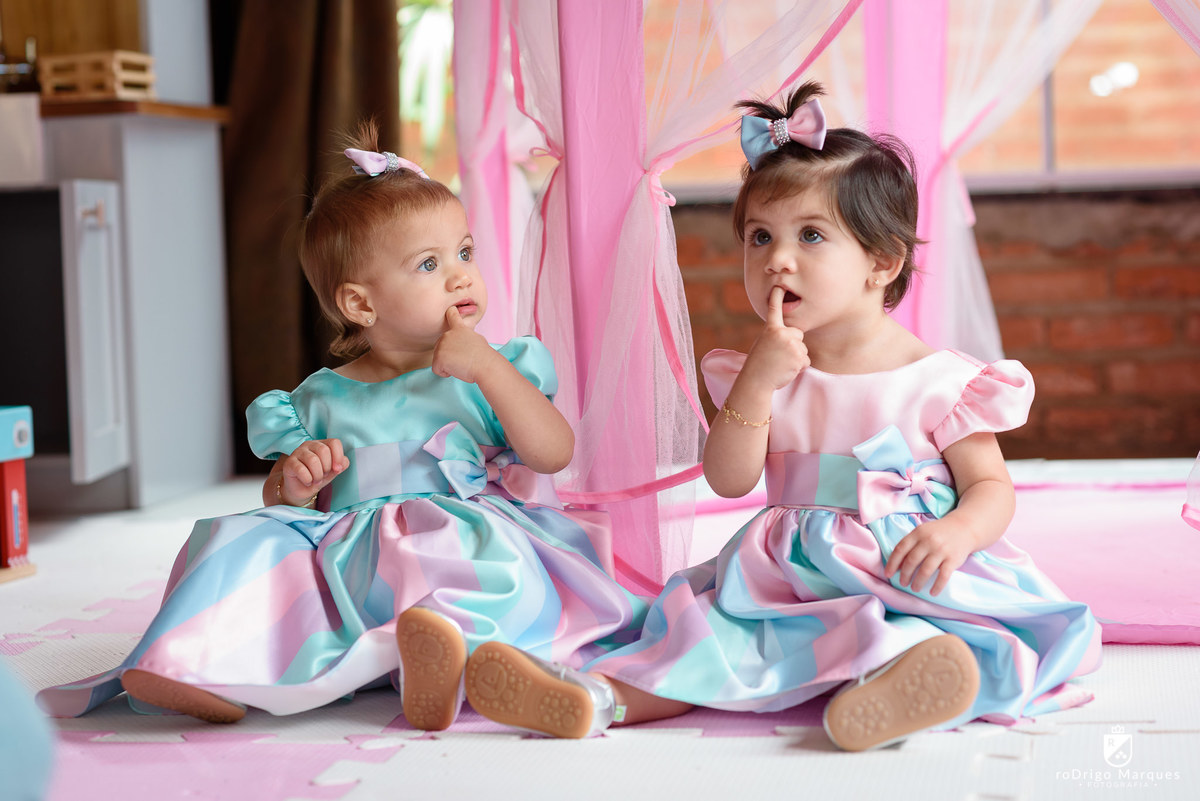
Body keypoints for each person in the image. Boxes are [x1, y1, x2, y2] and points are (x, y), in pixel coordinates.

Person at [462, 82, 1102, 750]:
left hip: (899, 570)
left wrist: (959, 533)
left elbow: (990, 486)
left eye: (811, 236)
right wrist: (758, 384)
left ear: (882, 262)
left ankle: (891, 691)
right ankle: (596, 697)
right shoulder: (760, 373)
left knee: (899, 629)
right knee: (705, 637)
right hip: (784, 576)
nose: (777, 260)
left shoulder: (939, 380)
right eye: (760, 237)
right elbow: (730, 479)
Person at [37, 122, 647, 731]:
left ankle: (470, 665)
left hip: (459, 538)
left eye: (465, 253)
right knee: (242, 539)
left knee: (470, 561)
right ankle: (192, 663)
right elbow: (284, 497)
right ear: (360, 304)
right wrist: (295, 483)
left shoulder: (490, 371)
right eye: (429, 264)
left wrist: (489, 369)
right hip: (353, 565)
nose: (461, 275)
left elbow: (553, 452)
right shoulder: (317, 398)